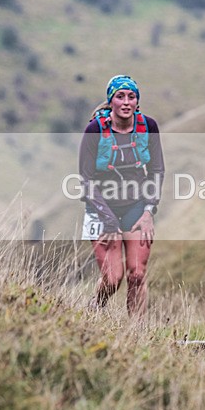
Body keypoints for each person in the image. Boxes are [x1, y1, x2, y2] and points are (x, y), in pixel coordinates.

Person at [78, 74, 164, 318]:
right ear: (111, 101)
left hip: (137, 207)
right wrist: (109, 220)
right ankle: (95, 308)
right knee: (113, 278)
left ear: (137, 101)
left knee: (137, 274)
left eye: (131, 96)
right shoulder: (95, 130)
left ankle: (135, 334)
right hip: (101, 209)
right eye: (120, 96)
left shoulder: (148, 127)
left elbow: (157, 170)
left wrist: (149, 211)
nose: (126, 102)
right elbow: (85, 179)